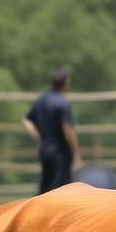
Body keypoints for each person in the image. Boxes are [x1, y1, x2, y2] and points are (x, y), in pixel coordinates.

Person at [22, 67, 82, 195]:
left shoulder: (41, 100)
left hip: (44, 150)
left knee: (45, 188)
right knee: (60, 189)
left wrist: (37, 136)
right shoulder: (62, 103)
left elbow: (26, 120)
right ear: (65, 83)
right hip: (60, 153)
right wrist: (76, 151)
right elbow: (68, 130)